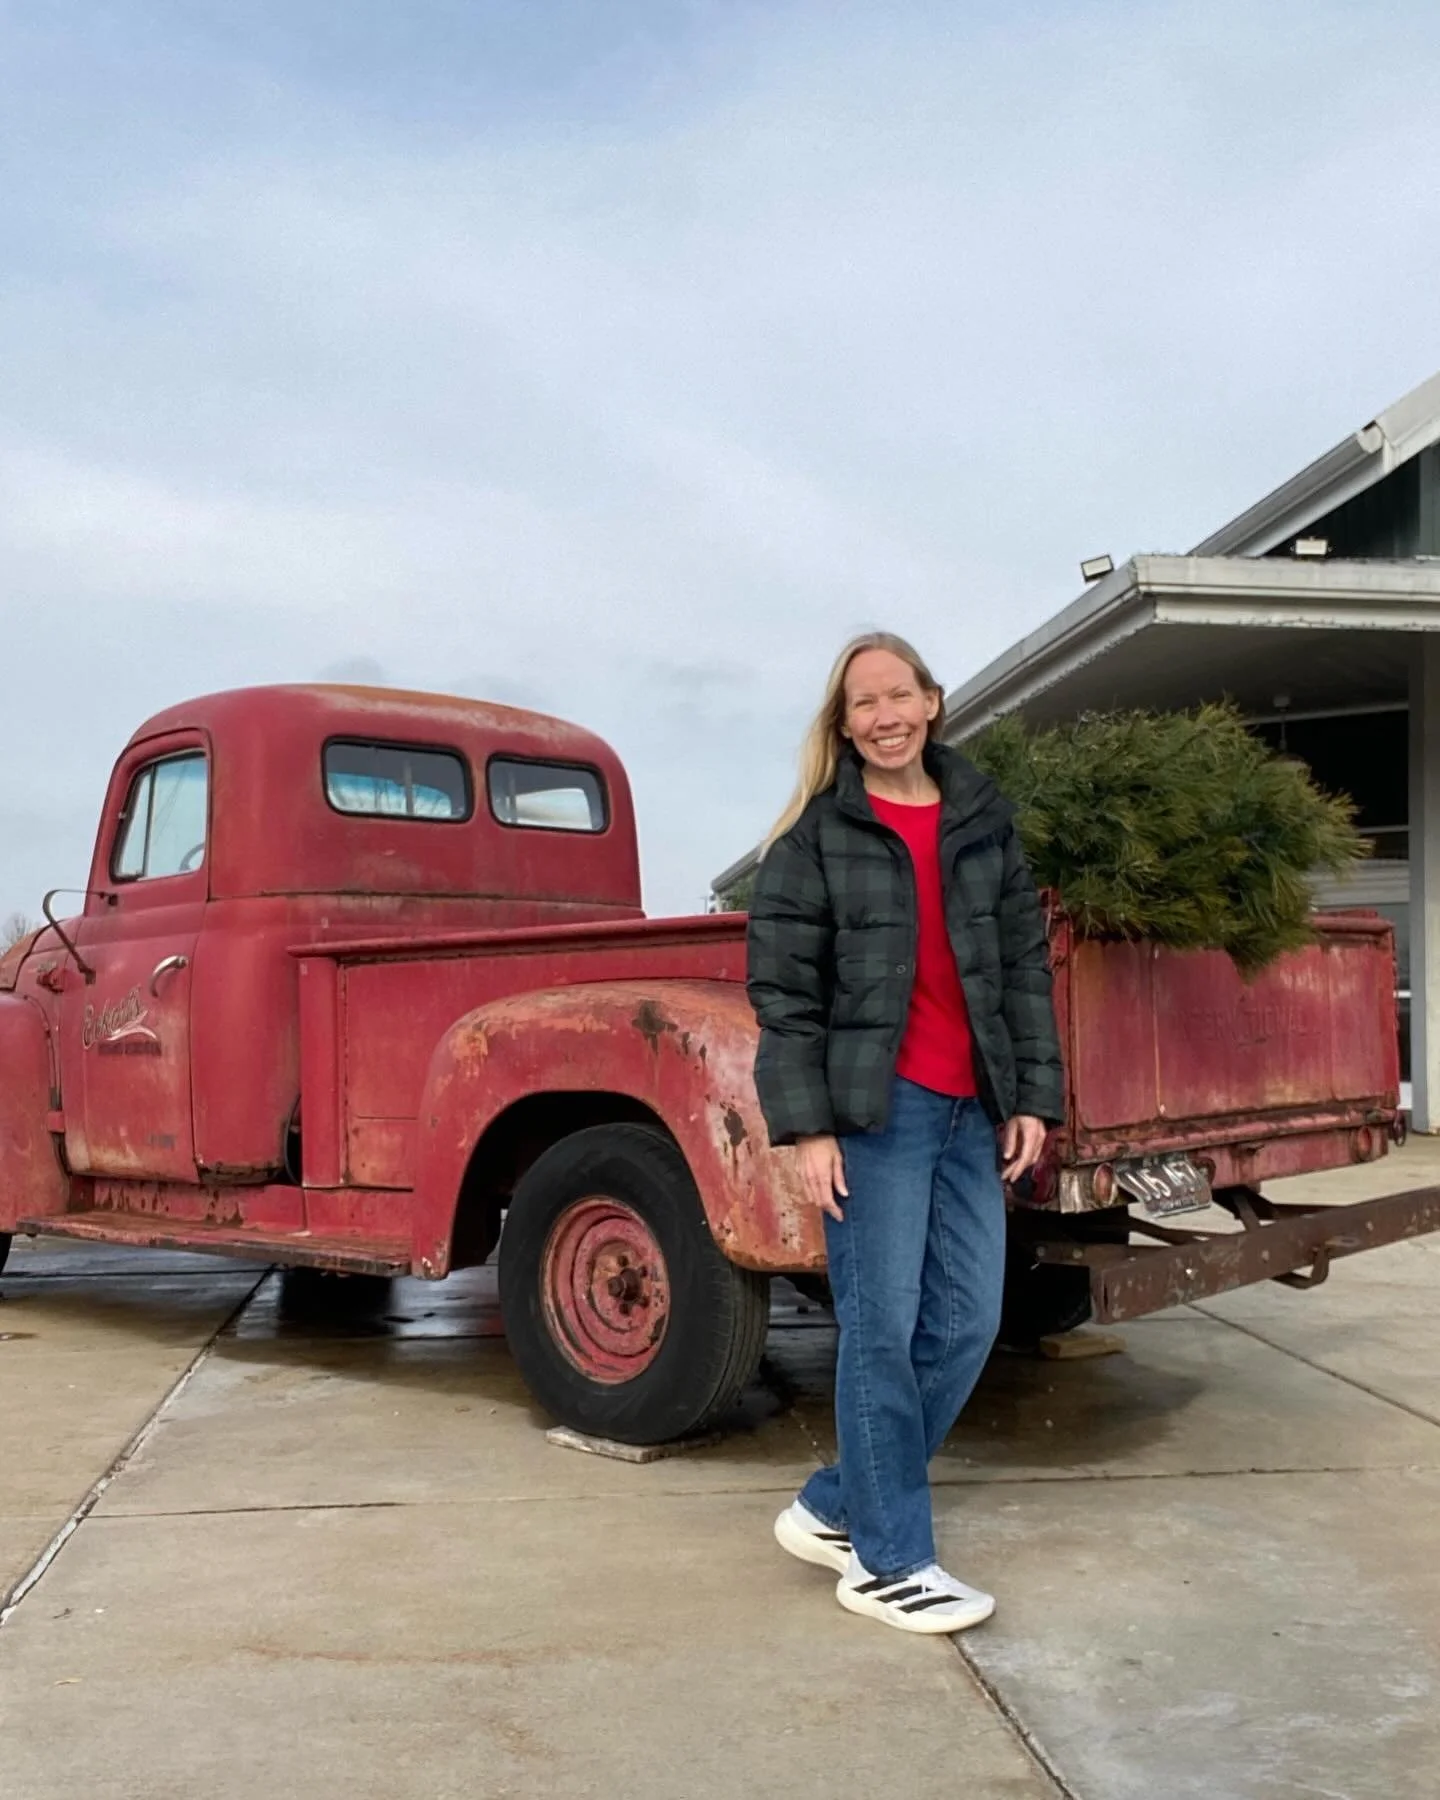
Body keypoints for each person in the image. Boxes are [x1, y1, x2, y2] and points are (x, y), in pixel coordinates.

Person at [746, 631, 1063, 1635]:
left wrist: (1032, 1096)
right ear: (844, 727)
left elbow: (1022, 969)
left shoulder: (982, 820)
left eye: (899, 694)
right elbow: (785, 996)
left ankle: (836, 1504)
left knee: (965, 1323)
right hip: (873, 1114)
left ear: (931, 701)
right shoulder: (813, 840)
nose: (884, 716)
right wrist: (809, 1128)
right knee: (879, 1330)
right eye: (864, 703)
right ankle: (889, 1563)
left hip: (971, 1108)